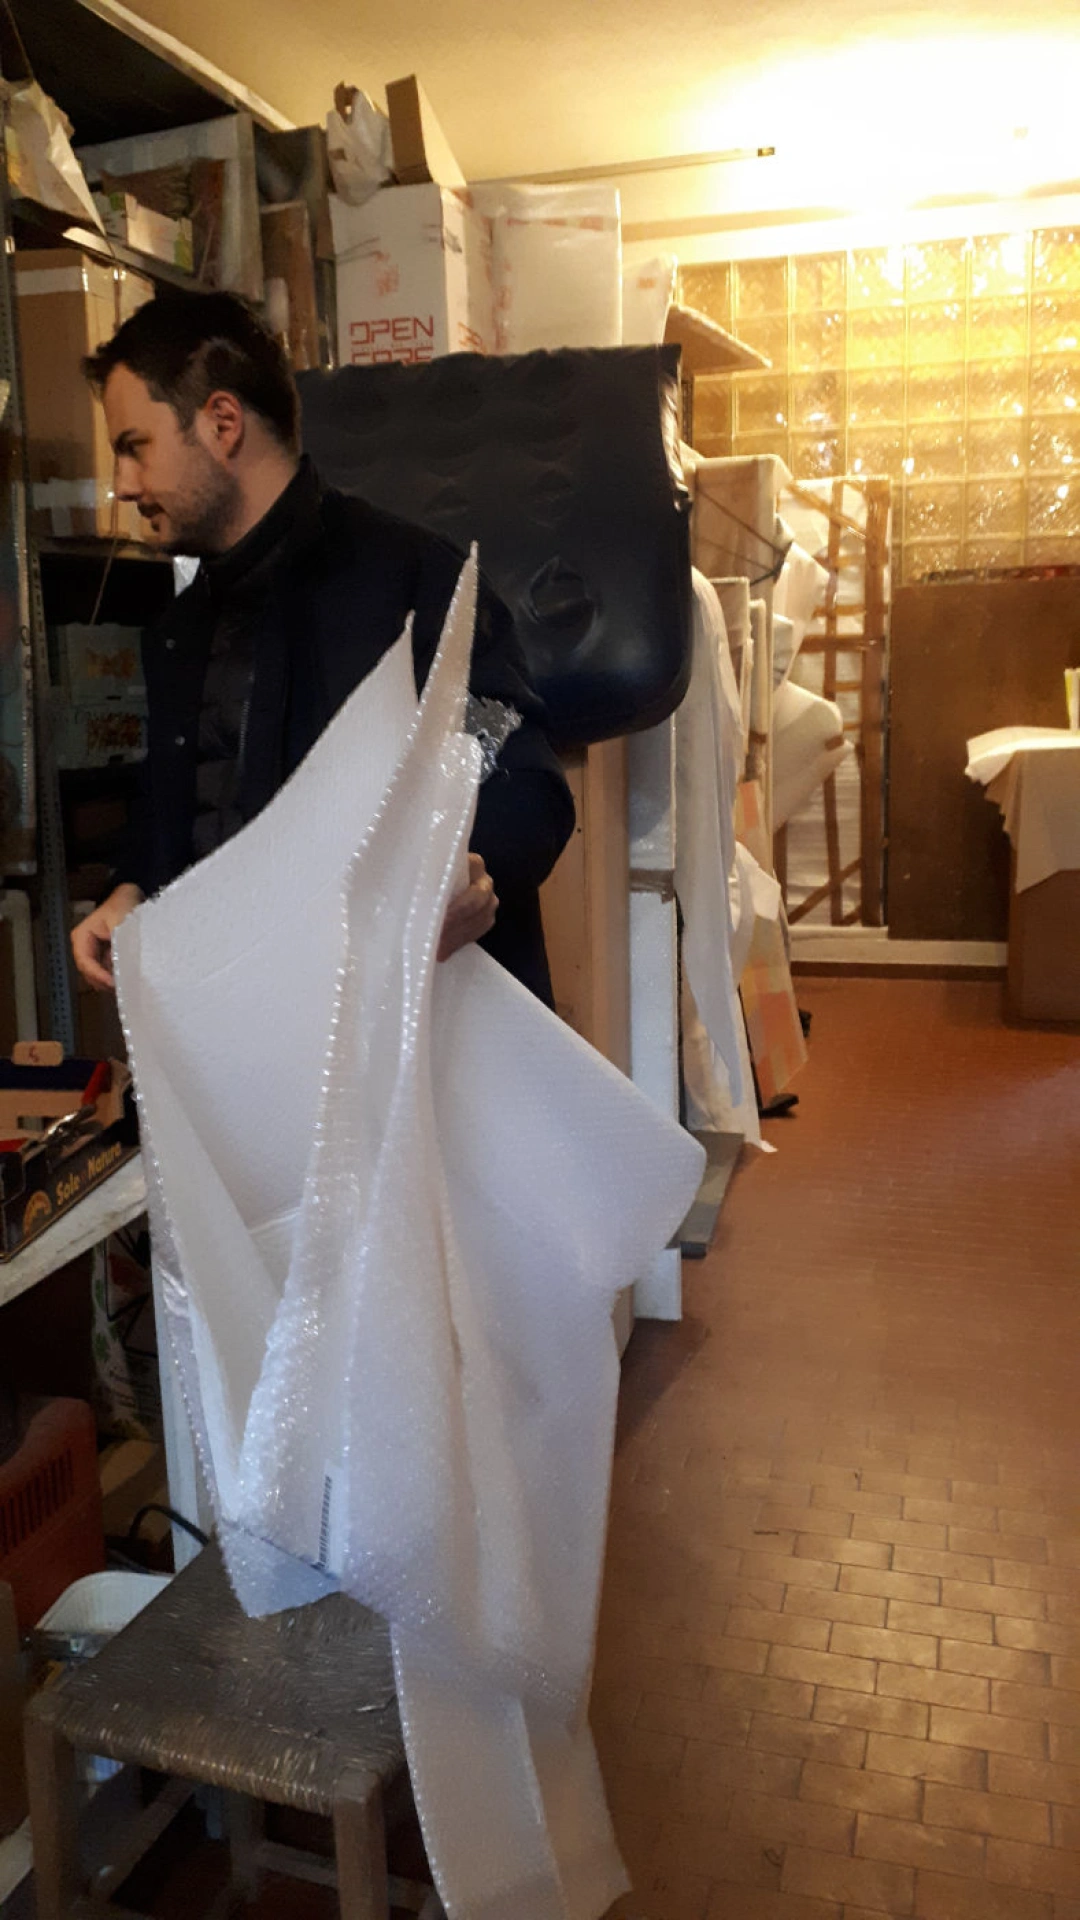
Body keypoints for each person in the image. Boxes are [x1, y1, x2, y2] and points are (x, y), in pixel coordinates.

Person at [70, 293, 574, 1004]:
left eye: (134, 447)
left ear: (222, 423)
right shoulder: (178, 634)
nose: (123, 486)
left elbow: (521, 781)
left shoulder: (411, 584)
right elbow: (176, 816)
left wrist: (466, 869)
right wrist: (129, 892)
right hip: (246, 1028)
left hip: (393, 1027)